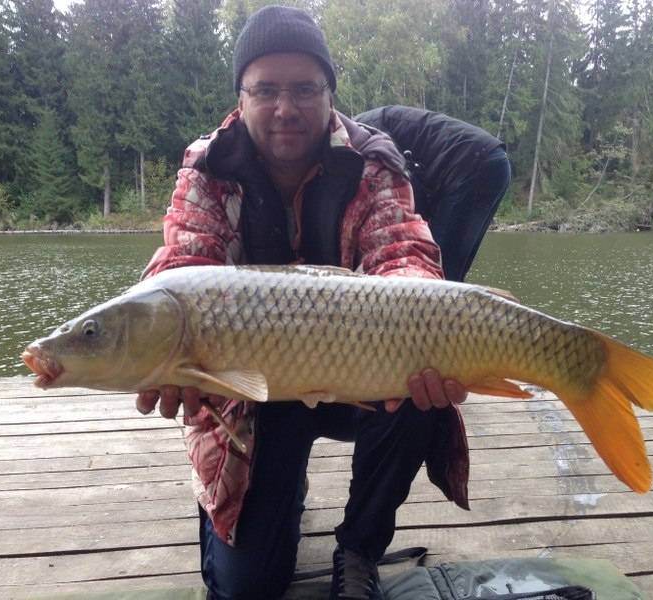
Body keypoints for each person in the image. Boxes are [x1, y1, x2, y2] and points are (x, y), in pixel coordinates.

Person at [134, 6, 470, 600]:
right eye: (266, 90)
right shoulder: (209, 167)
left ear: (330, 94)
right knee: (245, 588)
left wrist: (434, 329)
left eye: (304, 89)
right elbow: (182, 263)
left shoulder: (372, 160)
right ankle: (268, 503)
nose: (285, 108)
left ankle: (360, 548)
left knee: (423, 385)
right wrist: (169, 354)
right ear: (241, 97)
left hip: (358, 378)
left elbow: (405, 253)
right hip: (250, 396)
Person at [354, 106, 510, 283]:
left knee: (434, 276)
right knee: (451, 274)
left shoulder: (363, 135)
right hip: (494, 162)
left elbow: (402, 178)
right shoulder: (367, 126)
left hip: (471, 166)